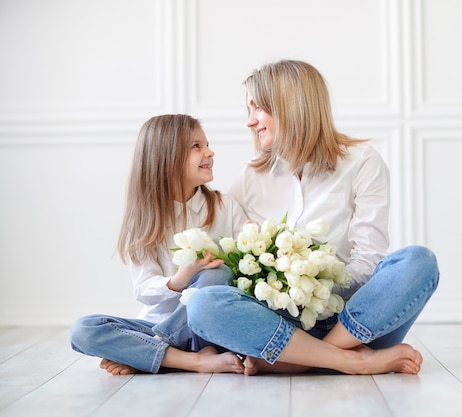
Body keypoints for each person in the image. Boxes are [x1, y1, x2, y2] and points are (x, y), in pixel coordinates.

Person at [185, 60, 439, 375]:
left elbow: (369, 261)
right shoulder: (252, 175)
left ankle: (303, 359)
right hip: (279, 319)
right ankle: (352, 361)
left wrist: (314, 290)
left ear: (290, 107)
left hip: (353, 319)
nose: (251, 122)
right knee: (202, 304)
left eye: (258, 109)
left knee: (417, 261)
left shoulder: (362, 162)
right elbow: (222, 251)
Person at [70, 114, 247, 375]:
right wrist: (179, 280)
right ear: (166, 161)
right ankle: (191, 360)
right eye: (196, 146)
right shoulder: (143, 220)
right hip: (158, 322)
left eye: (206, 144)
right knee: (83, 330)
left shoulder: (225, 206)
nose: (210, 152)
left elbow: (243, 268)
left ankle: (150, 351)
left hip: (207, 328)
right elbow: (143, 289)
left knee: (217, 274)